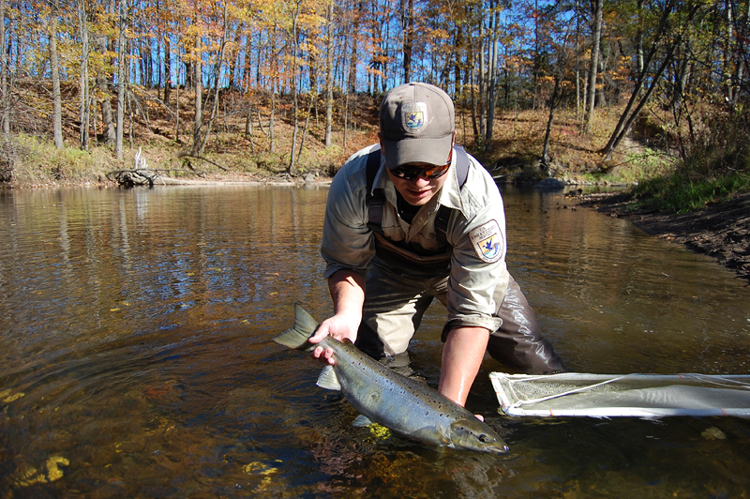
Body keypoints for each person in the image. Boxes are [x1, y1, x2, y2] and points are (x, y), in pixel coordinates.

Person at [309, 82, 565, 409]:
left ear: (452, 145)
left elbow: (472, 314)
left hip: (462, 271)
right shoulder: (353, 183)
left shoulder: (478, 198)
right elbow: (347, 263)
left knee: (536, 365)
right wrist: (347, 314)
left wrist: (449, 414)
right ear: (383, 146)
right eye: (405, 168)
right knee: (373, 360)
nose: (419, 183)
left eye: (433, 168)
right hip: (392, 273)